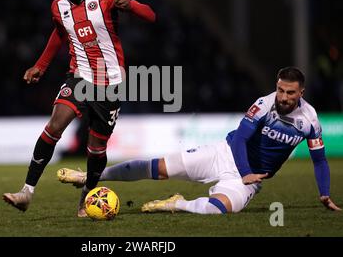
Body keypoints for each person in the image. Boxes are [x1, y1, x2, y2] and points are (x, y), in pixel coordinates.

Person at [58, 67, 341, 214]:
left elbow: (319, 159)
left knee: (218, 210)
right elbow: (241, 139)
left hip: (250, 179)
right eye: (280, 90)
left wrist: (324, 192)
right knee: (157, 168)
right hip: (226, 154)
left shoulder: (310, 120)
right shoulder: (264, 104)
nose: (283, 97)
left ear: (301, 92)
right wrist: (244, 172)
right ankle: (89, 176)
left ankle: (178, 203)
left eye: (290, 93)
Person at [3, 0, 156, 217]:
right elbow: (60, 33)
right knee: (54, 125)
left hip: (111, 83)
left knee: (96, 148)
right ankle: (26, 192)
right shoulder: (57, 6)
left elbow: (151, 16)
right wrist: (41, 65)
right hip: (80, 77)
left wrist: (131, 4)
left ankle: (87, 197)